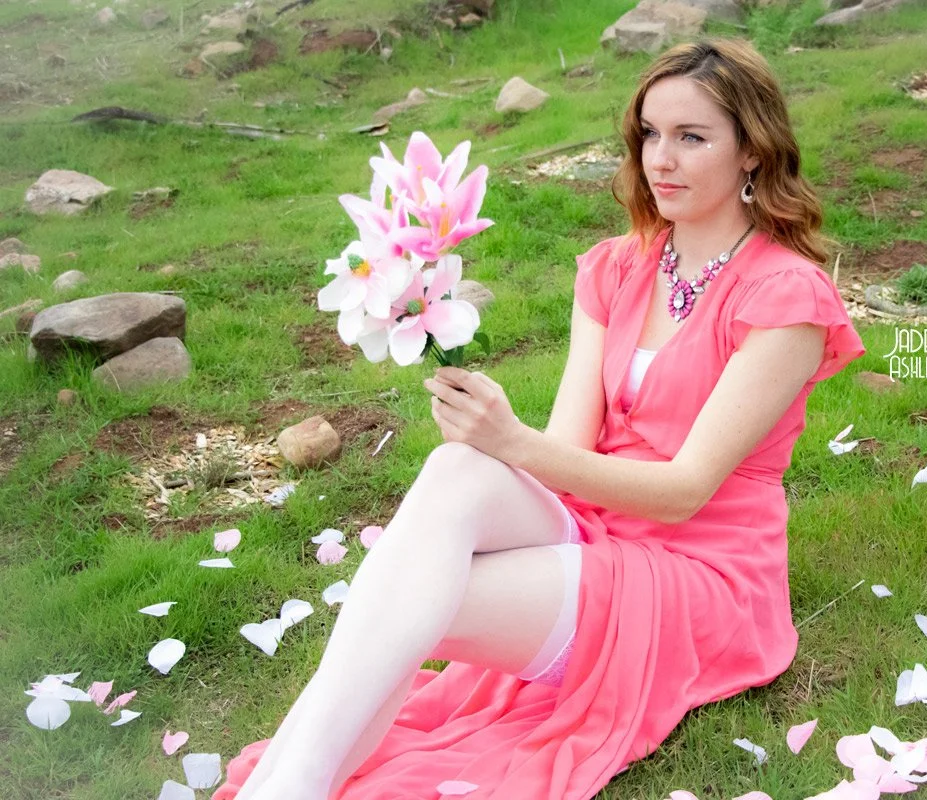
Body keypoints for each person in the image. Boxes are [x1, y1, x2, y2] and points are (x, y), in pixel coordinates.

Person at [217, 37, 866, 800]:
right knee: (455, 472)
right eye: (651, 134)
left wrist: (512, 442)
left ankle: (291, 783)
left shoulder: (786, 297)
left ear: (752, 150)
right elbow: (566, 450)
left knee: (412, 599)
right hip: (597, 529)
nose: (661, 159)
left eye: (692, 137)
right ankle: (291, 785)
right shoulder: (616, 266)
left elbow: (685, 491)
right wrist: (490, 433)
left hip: (700, 570)